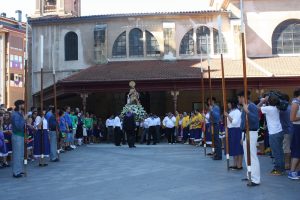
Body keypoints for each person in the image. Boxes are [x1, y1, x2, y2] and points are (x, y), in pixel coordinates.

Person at [258, 94, 285, 175]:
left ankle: (278, 169)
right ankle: (281, 167)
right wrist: (266, 101)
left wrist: (262, 101)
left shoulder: (269, 108)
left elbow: (255, 109)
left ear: (269, 101)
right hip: (279, 131)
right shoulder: (276, 107)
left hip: (274, 133)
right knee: (279, 151)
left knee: (276, 152)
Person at [238, 91, 260, 187]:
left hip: (251, 132)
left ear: (243, 97)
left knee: (252, 156)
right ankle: (249, 175)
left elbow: (255, 120)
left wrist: (248, 112)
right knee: (247, 156)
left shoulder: (251, 106)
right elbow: (243, 123)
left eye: (239, 97)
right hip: (245, 133)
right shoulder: (246, 106)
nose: (238, 100)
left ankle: (255, 179)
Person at [224, 99, 243, 170]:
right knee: (233, 148)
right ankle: (235, 164)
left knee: (238, 148)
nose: (228, 105)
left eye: (229, 104)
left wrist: (227, 115)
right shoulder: (232, 111)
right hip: (231, 130)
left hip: (236, 130)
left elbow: (234, 122)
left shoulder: (237, 112)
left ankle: (239, 165)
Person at [11, 100, 25, 178]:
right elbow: (18, 126)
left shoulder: (19, 114)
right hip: (17, 136)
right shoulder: (15, 115)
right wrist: (24, 119)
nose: (24, 106)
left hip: (20, 136)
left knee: (20, 154)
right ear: (19, 105)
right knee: (17, 154)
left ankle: (19, 170)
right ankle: (16, 172)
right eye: (23, 104)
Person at [288, 88, 300, 180]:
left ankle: (296, 171)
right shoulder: (295, 103)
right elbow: (292, 118)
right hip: (297, 128)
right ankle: (292, 171)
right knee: (297, 149)